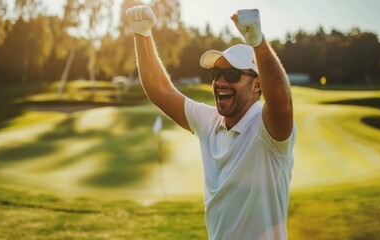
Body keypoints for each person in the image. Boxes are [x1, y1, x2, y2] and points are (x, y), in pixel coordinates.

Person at [126, 5, 296, 240]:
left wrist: (258, 43)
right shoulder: (210, 122)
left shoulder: (267, 130)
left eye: (233, 75)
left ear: (258, 85)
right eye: (216, 74)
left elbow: (282, 104)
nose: (221, 82)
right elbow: (161, 91)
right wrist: (142, 34)